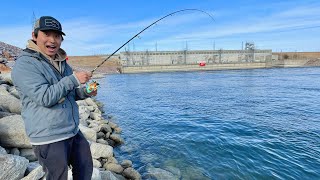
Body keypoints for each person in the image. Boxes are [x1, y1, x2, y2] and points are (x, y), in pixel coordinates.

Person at [11, 16, 95, 180]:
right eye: (47, 34)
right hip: (48, 136)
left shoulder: (62, 62)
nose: (52, 40)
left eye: (57, 36)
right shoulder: (25, 64)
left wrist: (85, 92)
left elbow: (67, 93)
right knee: (57, 177)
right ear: (34, 36)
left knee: (85, 169)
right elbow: (45, 97)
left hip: (72, 130)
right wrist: (74, 79)